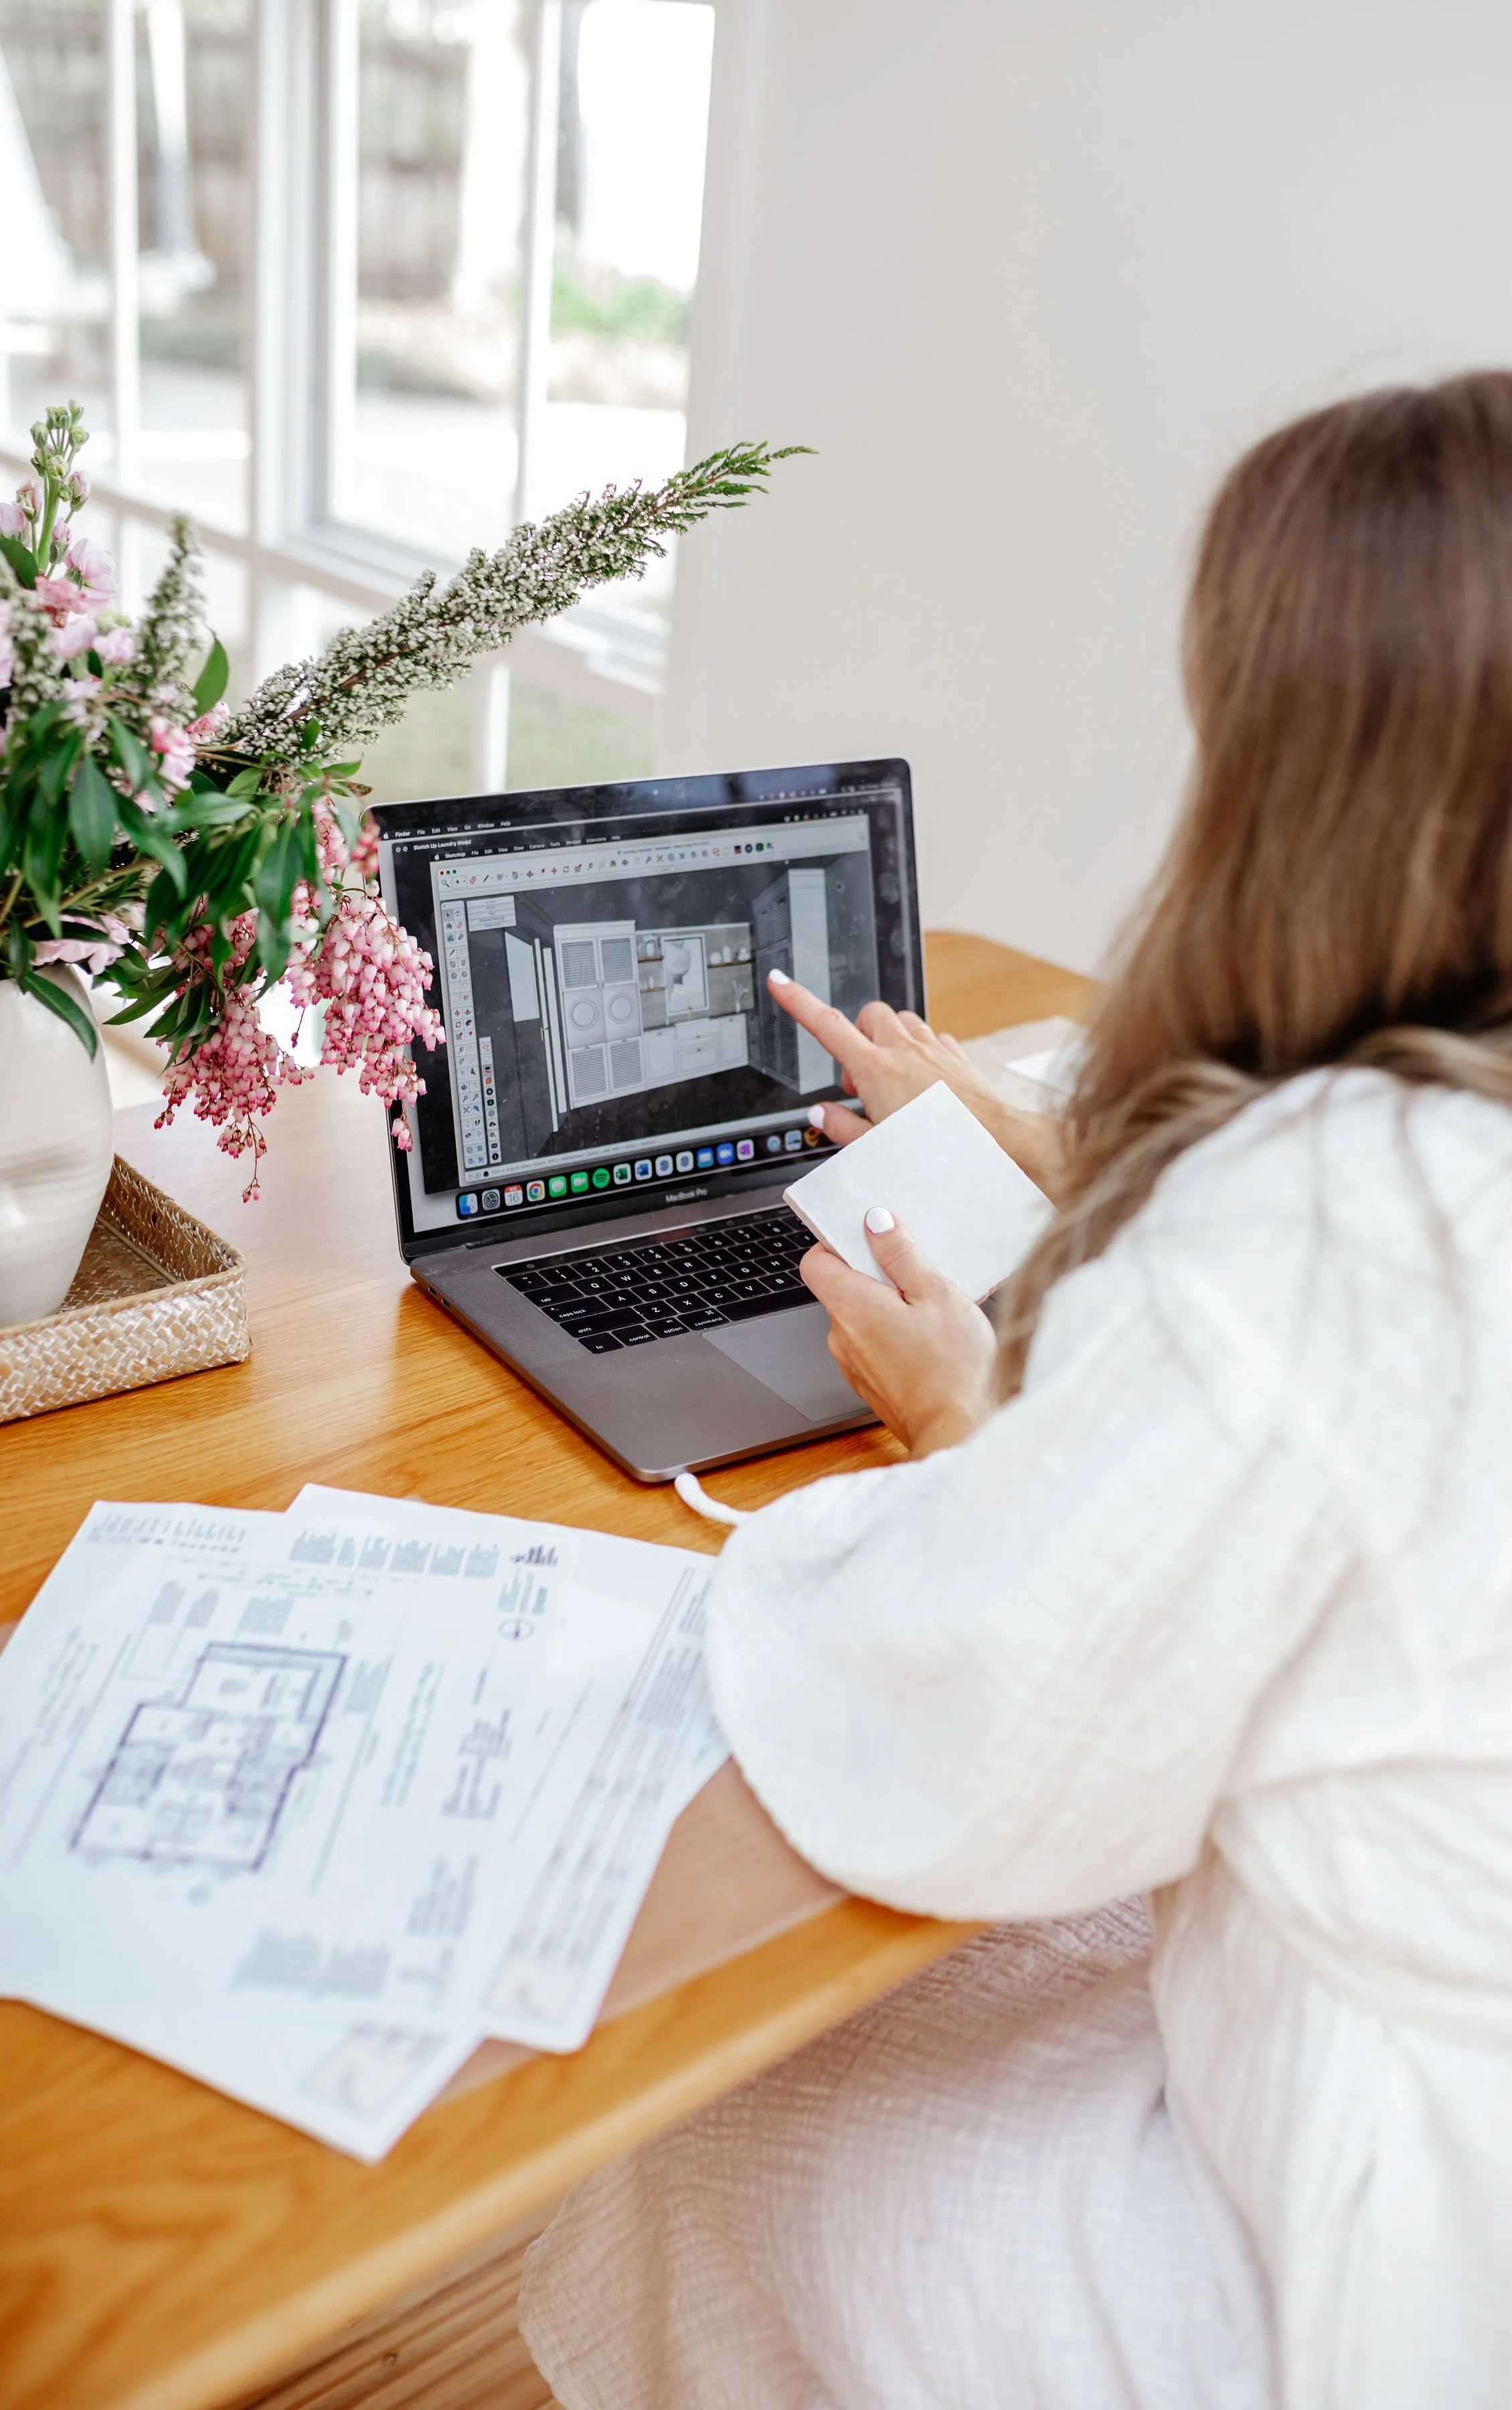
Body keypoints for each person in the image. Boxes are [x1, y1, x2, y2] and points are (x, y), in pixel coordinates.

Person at [519, 374, 1512, 2407]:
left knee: (716, 2097)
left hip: (1389, 2257)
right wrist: (1046, 1151)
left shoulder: (1337, 1224)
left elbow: (980, 1724)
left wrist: (965, 1429)